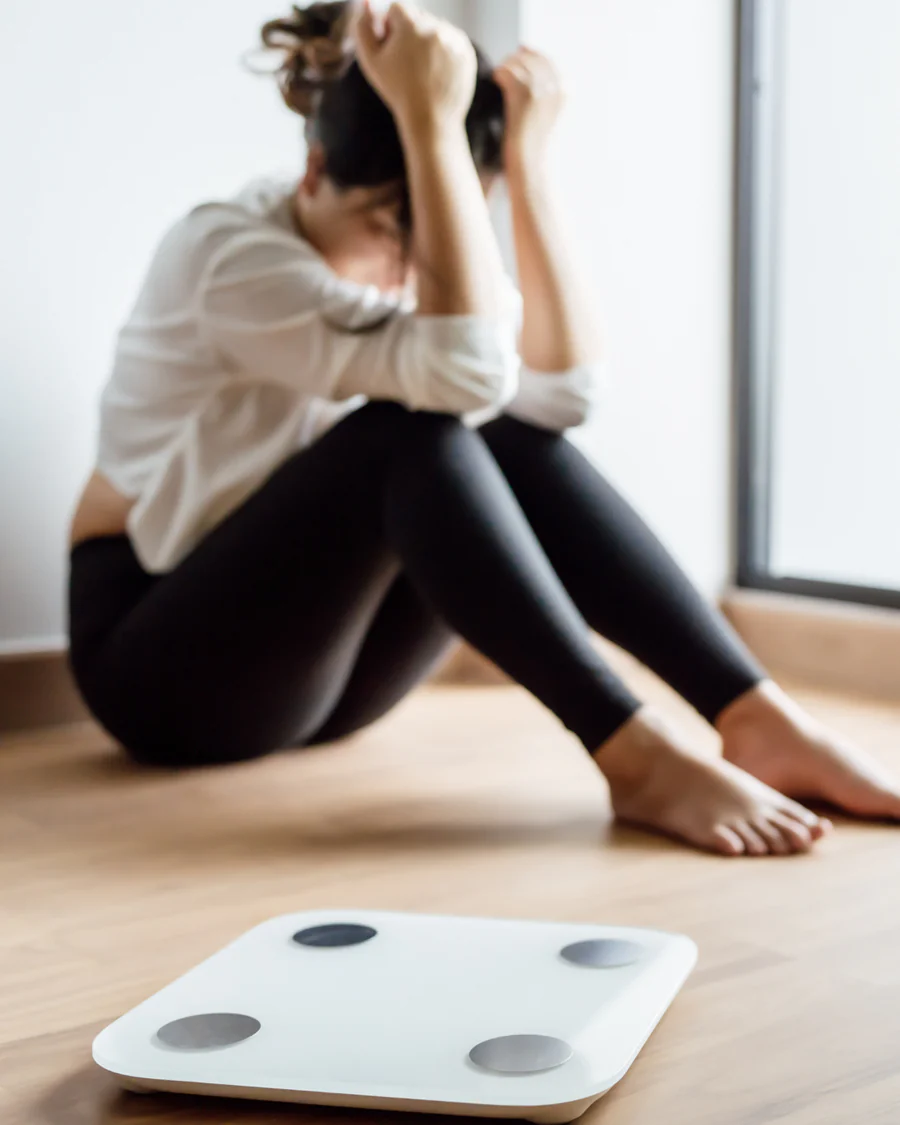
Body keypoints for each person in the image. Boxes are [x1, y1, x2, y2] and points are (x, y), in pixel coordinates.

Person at [68, 0, 900, 858]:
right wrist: (429, 118)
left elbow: (556, 400)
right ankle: (635, 751)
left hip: (318, 676)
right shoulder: (230, 260)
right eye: (387, 230)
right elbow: (463, 373)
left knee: (493, 434)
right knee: (410, 434)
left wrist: (528, 169)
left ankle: (754, 715)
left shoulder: (415, 283)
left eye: (425, 238)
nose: (402, 271)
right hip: (160, 669)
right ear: (312, 171)